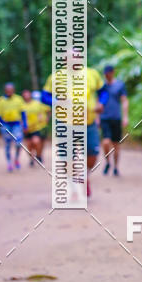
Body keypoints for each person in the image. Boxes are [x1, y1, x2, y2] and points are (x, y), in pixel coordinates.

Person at [42, 57, 106, 198]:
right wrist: (57, 101)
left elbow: (103, 91)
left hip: (87, 122)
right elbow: (44, 96)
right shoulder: (56, 77)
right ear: (65, 61)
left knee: (93, 154)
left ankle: (85, 175)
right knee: (67, 158)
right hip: (65, 123)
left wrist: (101, 103)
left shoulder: (92, 74)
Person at [100, 65, 128, 176]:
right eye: (105, 74)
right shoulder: (102, 86)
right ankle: (107, 162)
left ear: (112, 73)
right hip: (104, 117)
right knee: (106, 142)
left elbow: (124, 100)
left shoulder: (120, 85)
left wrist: (125, 116)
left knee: (116, 144)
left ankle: (116, 167)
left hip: (116, 117)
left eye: (108, 74)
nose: (107, 76)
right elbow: (98, 101)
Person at [0, 83, 26, 171]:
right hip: (5, 124)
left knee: (18, 143)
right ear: (5, 90)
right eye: (7, 90)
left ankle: (16, 159)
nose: (9, 91)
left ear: (13, 90)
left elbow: (23, 112)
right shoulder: (0, 100)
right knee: (7, 144)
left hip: (16, 124)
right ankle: (9, 162)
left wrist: (25, 124)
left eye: (11, 90)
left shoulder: (18, 99)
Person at [21, 89, 50, 165]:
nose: (26, 96)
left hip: (37, 127)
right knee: (29, 146)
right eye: (25, 95)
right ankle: (32, 159)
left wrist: (45, 118)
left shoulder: (37, 104)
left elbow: (44, 111)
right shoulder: (22, 106)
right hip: (27, 129)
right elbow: (20, 117)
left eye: (28, 94)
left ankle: (39, 155)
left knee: (36, 141)